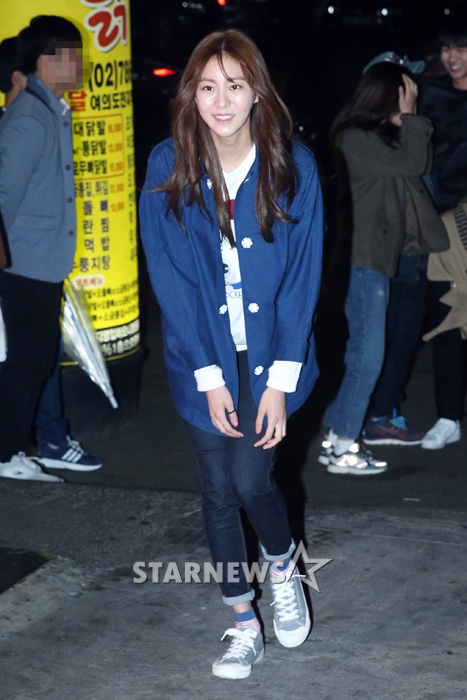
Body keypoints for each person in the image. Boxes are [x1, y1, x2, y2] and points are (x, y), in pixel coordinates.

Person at [139, 29, 324, 679]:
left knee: (250, 479)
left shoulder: (292, 166)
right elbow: (171, 278)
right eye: (207, 86)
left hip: (270, 352)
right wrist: (207, 373)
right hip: (203, 351)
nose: (220, 101)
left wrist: (279, 381)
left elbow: (302, 280)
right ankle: (243, 623)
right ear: (191, 93)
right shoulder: (169, 163)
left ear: (257, 94)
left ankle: (282, 565)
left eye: (235, 86)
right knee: (217, 487)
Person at [320, 61, 447, 475]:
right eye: (406, 95)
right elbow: (415, 163)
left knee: (363, 353)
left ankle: (336, 435)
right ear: (387, 97)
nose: (411, 103)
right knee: (368, 355)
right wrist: (411, 118)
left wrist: (408, 120)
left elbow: (417, 163)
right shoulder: (355, 137)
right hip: (361, 261)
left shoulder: (370, 138)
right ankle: (343, 448)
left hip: (372, 260)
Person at [0, 35, 103, 475]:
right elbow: (3, 194)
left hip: (40, 262)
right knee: (26, 365)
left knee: (36, 362)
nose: (81, 65)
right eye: (72, 57)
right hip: (24, 264)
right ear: (46, 60)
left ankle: (26, 449)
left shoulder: (48, 110)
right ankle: (6, 455)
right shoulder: (30, 118)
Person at [417, 18, 467, 449]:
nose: (453, 57)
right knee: (447, 314)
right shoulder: (430, 94)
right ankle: (448, 415)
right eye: (448, 48)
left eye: (462, 48)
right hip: (446, 224)